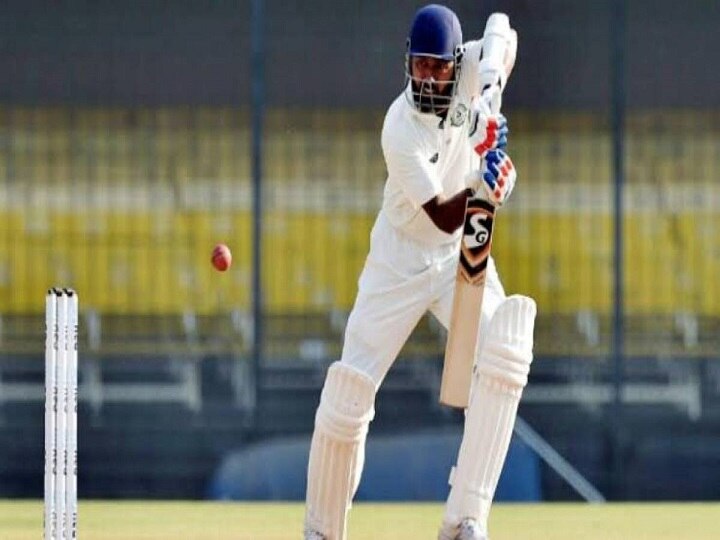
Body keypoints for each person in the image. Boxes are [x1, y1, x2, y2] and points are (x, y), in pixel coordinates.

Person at [304, 4, 536, 540]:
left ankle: (465, 520)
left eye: (437, 67)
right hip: (400, 256)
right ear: (407, 63)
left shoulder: (475, 70)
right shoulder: (398, 127)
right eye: (419, 66)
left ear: (457, 62)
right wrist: (487, 187)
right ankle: (321, 529)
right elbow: (439, 213)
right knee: (349, 393)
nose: (427, 77)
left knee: (506, 350)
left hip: (460, 252)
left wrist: (491, 91)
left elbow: (504, 26)